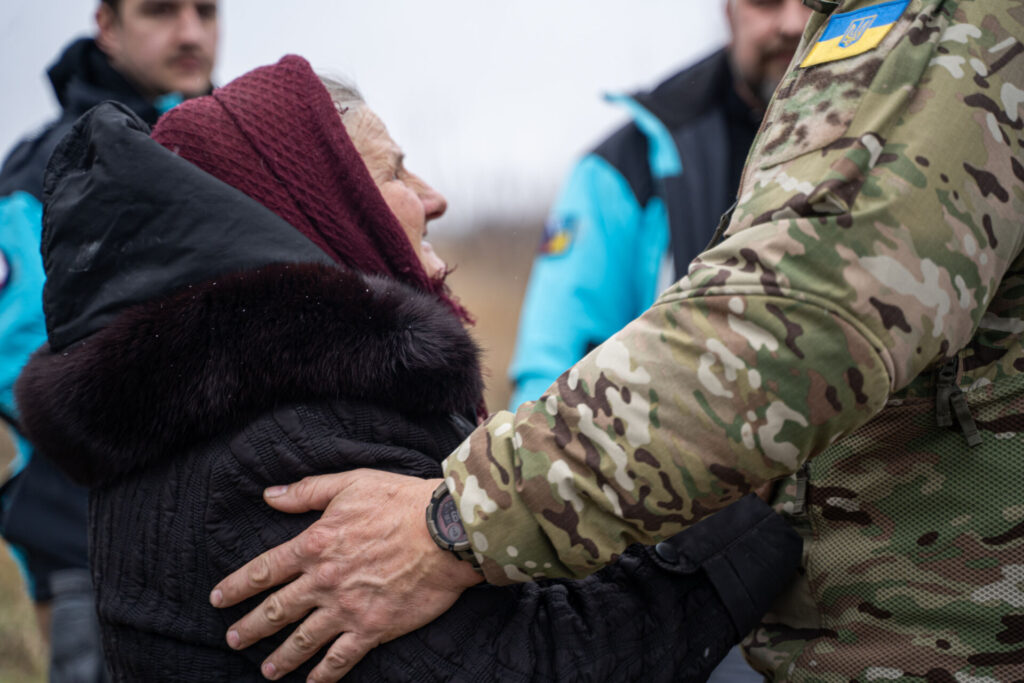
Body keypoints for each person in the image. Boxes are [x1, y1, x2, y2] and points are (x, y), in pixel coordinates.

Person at [209, 1, 1024, 681]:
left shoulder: (941, 22)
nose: (436, 195)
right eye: (394, 174)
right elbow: (561, 356)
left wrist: (459, 520)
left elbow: (800, 322)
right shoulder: (636, 158)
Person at [15, 55, 800, 682]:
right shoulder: (283, 451)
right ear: (318, 202)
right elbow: (541, 662)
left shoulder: (244, 402)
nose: (435, 196)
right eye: (394, 172)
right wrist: (751, 523)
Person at [0, 1, 217, 680]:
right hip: (85, 553)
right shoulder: (46, 176)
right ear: (105, 23)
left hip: (224, 549)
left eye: (206, 11)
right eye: (159, 11)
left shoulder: (238, 160)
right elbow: (22, 360)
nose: (189, 32)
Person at [508, 0, 811, 409]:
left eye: (818, 1)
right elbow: (555, 363)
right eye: (766, 2)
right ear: (728, 10)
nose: (793, 23)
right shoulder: (624, 166)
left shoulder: (906, 136)